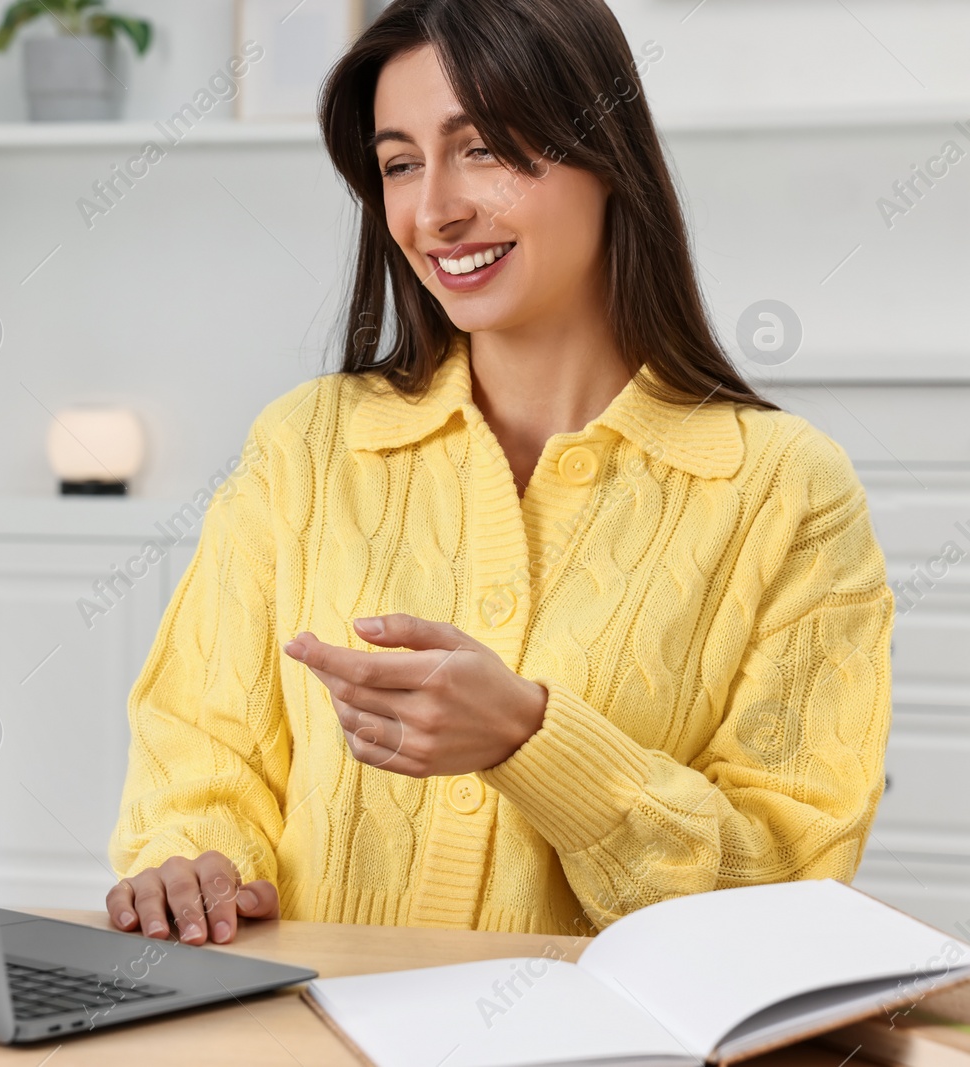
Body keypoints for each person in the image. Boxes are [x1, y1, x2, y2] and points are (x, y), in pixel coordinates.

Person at [105, 0, 895, 945]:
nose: (434, 210)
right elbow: (199, 759)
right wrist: (195, 868)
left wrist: (533, 739)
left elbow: (784, 897)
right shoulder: (305, 448)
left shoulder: (785, 491)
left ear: (605, 154)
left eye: (480, 148)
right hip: (308, 1036)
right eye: (400, 163)